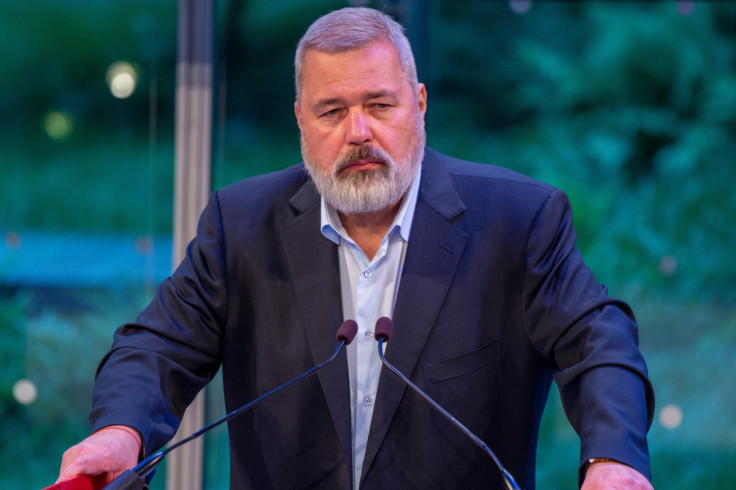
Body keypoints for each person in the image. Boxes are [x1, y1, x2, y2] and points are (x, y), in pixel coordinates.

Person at [57, 7, 654, 490]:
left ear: (418, 105)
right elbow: (158, 345)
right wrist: (121, 431)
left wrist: (612, 460)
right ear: (300, 120)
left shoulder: (519, 220)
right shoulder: (239, 224)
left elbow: (598, 342)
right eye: (332, 111)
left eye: (379, 105)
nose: (358, 132)